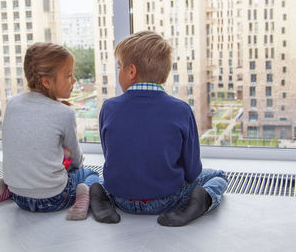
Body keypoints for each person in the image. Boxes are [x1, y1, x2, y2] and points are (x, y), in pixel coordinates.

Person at [90, 31, 229, 226]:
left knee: (96, 178)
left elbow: (111, 157)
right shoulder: (181, 110)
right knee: (217, 176)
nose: (118, 72)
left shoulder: (108, 107)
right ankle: (199, 202)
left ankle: (101, 197)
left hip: (121, 198)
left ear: (131, 71)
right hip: (167, 199)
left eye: (119, 67)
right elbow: (192, 169)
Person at [0, 42, 99, 220]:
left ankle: (3, 187)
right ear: (46, 82)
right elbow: (75, 158)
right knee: (90, 174)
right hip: (54, 199)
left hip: (18, 196)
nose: (74, 80)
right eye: (69, 75)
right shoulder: (64, 113)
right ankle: (82, 193)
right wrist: (76, 167)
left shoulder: (12, 104)